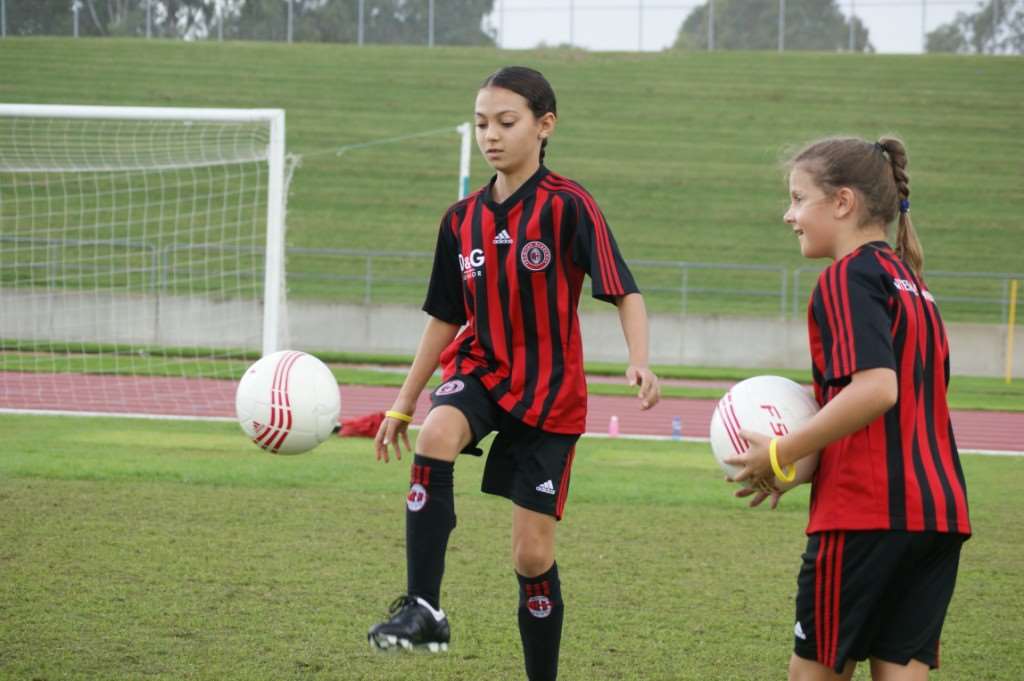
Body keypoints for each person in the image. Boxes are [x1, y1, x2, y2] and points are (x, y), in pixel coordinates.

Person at [367, 66, 660, 681]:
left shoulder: (568, 207)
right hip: (481, 372)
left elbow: (625, 292)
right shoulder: (460, 221)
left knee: (531, 557)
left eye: (506, 122)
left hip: (551, 399)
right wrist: (402, 403)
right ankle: (424, 607)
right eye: (481, 124)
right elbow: (444, 320)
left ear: (544, 125)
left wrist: (639, 359)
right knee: (435, 435)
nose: (491, 136)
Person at [726, 136, 971, 681]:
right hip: (938, 515)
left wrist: (781, 452)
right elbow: (896, 411)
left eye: (797, 198)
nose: (788, 215)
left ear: (841, 203)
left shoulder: (847, 277)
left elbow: (875, 390)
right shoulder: (915, 286)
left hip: (866, 516)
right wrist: (806, 465)